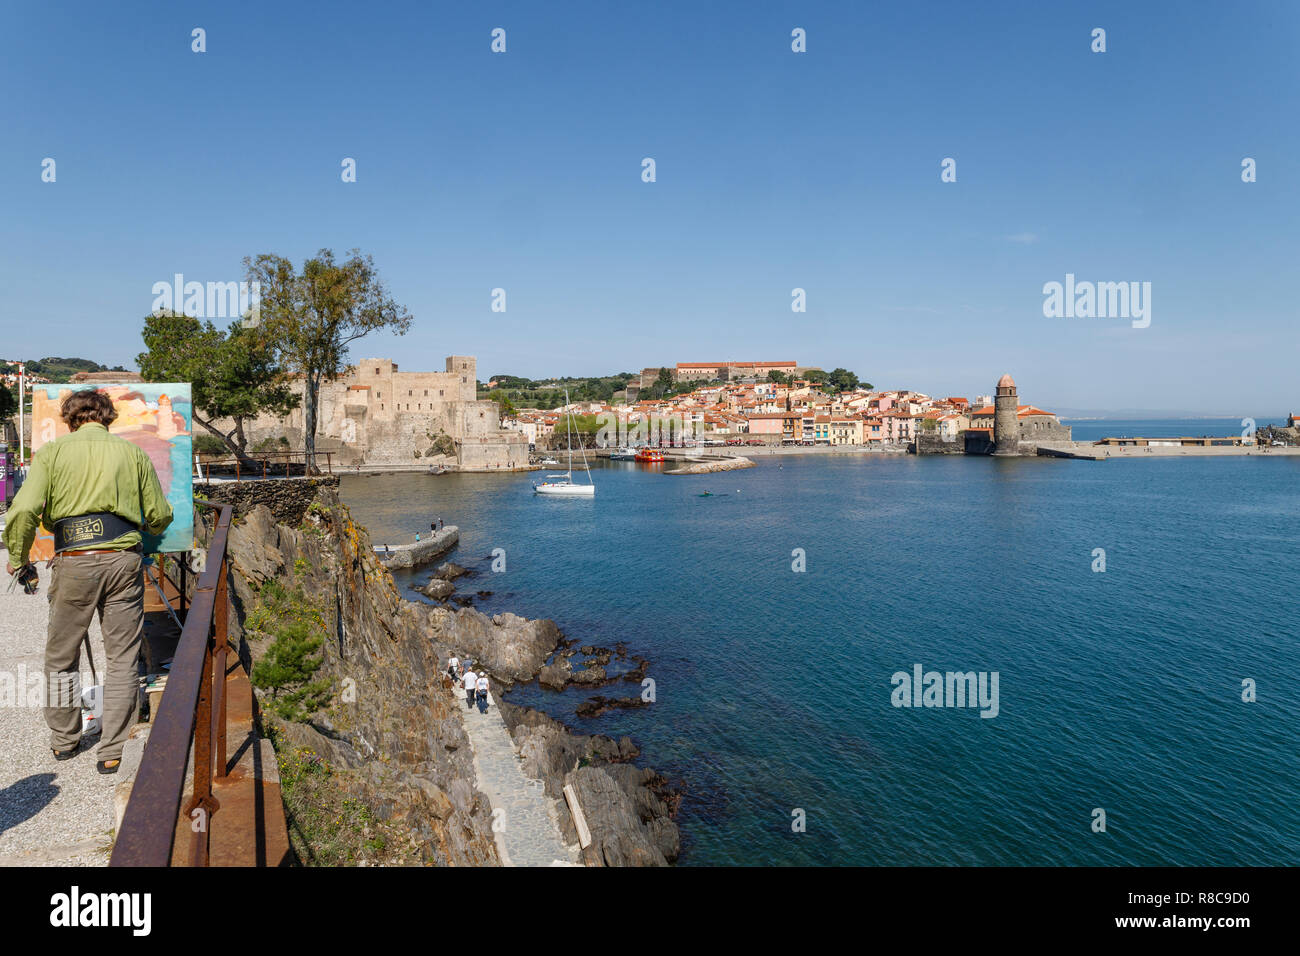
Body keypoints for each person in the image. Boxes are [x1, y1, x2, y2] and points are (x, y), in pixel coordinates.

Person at [2, 390, 174, 775]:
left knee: (61, 657)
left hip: (74, 562)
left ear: (70, 418)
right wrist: (146, 527)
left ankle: (65, 741)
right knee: (123, 657)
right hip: (122, 562)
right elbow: (160, 514)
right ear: (108, 417)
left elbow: (25, 509)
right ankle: (112, 750)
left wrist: (18, 558)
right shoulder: (132, 454)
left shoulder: (53, 453)